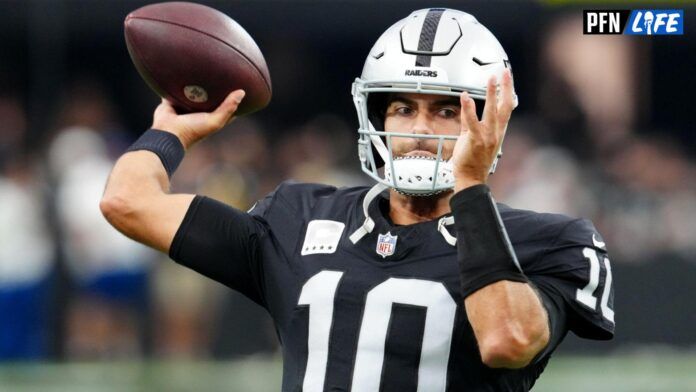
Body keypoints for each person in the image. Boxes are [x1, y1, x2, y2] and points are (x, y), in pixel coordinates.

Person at [101, 8, 614, 391]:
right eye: (401, 107)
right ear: (375, 118)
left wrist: (471, 189)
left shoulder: (549, 241)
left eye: (445, 111)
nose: (418, 129)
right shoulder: (300, 219)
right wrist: (171, 132)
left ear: (491, 119)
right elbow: (127, 201)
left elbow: (508, 341)